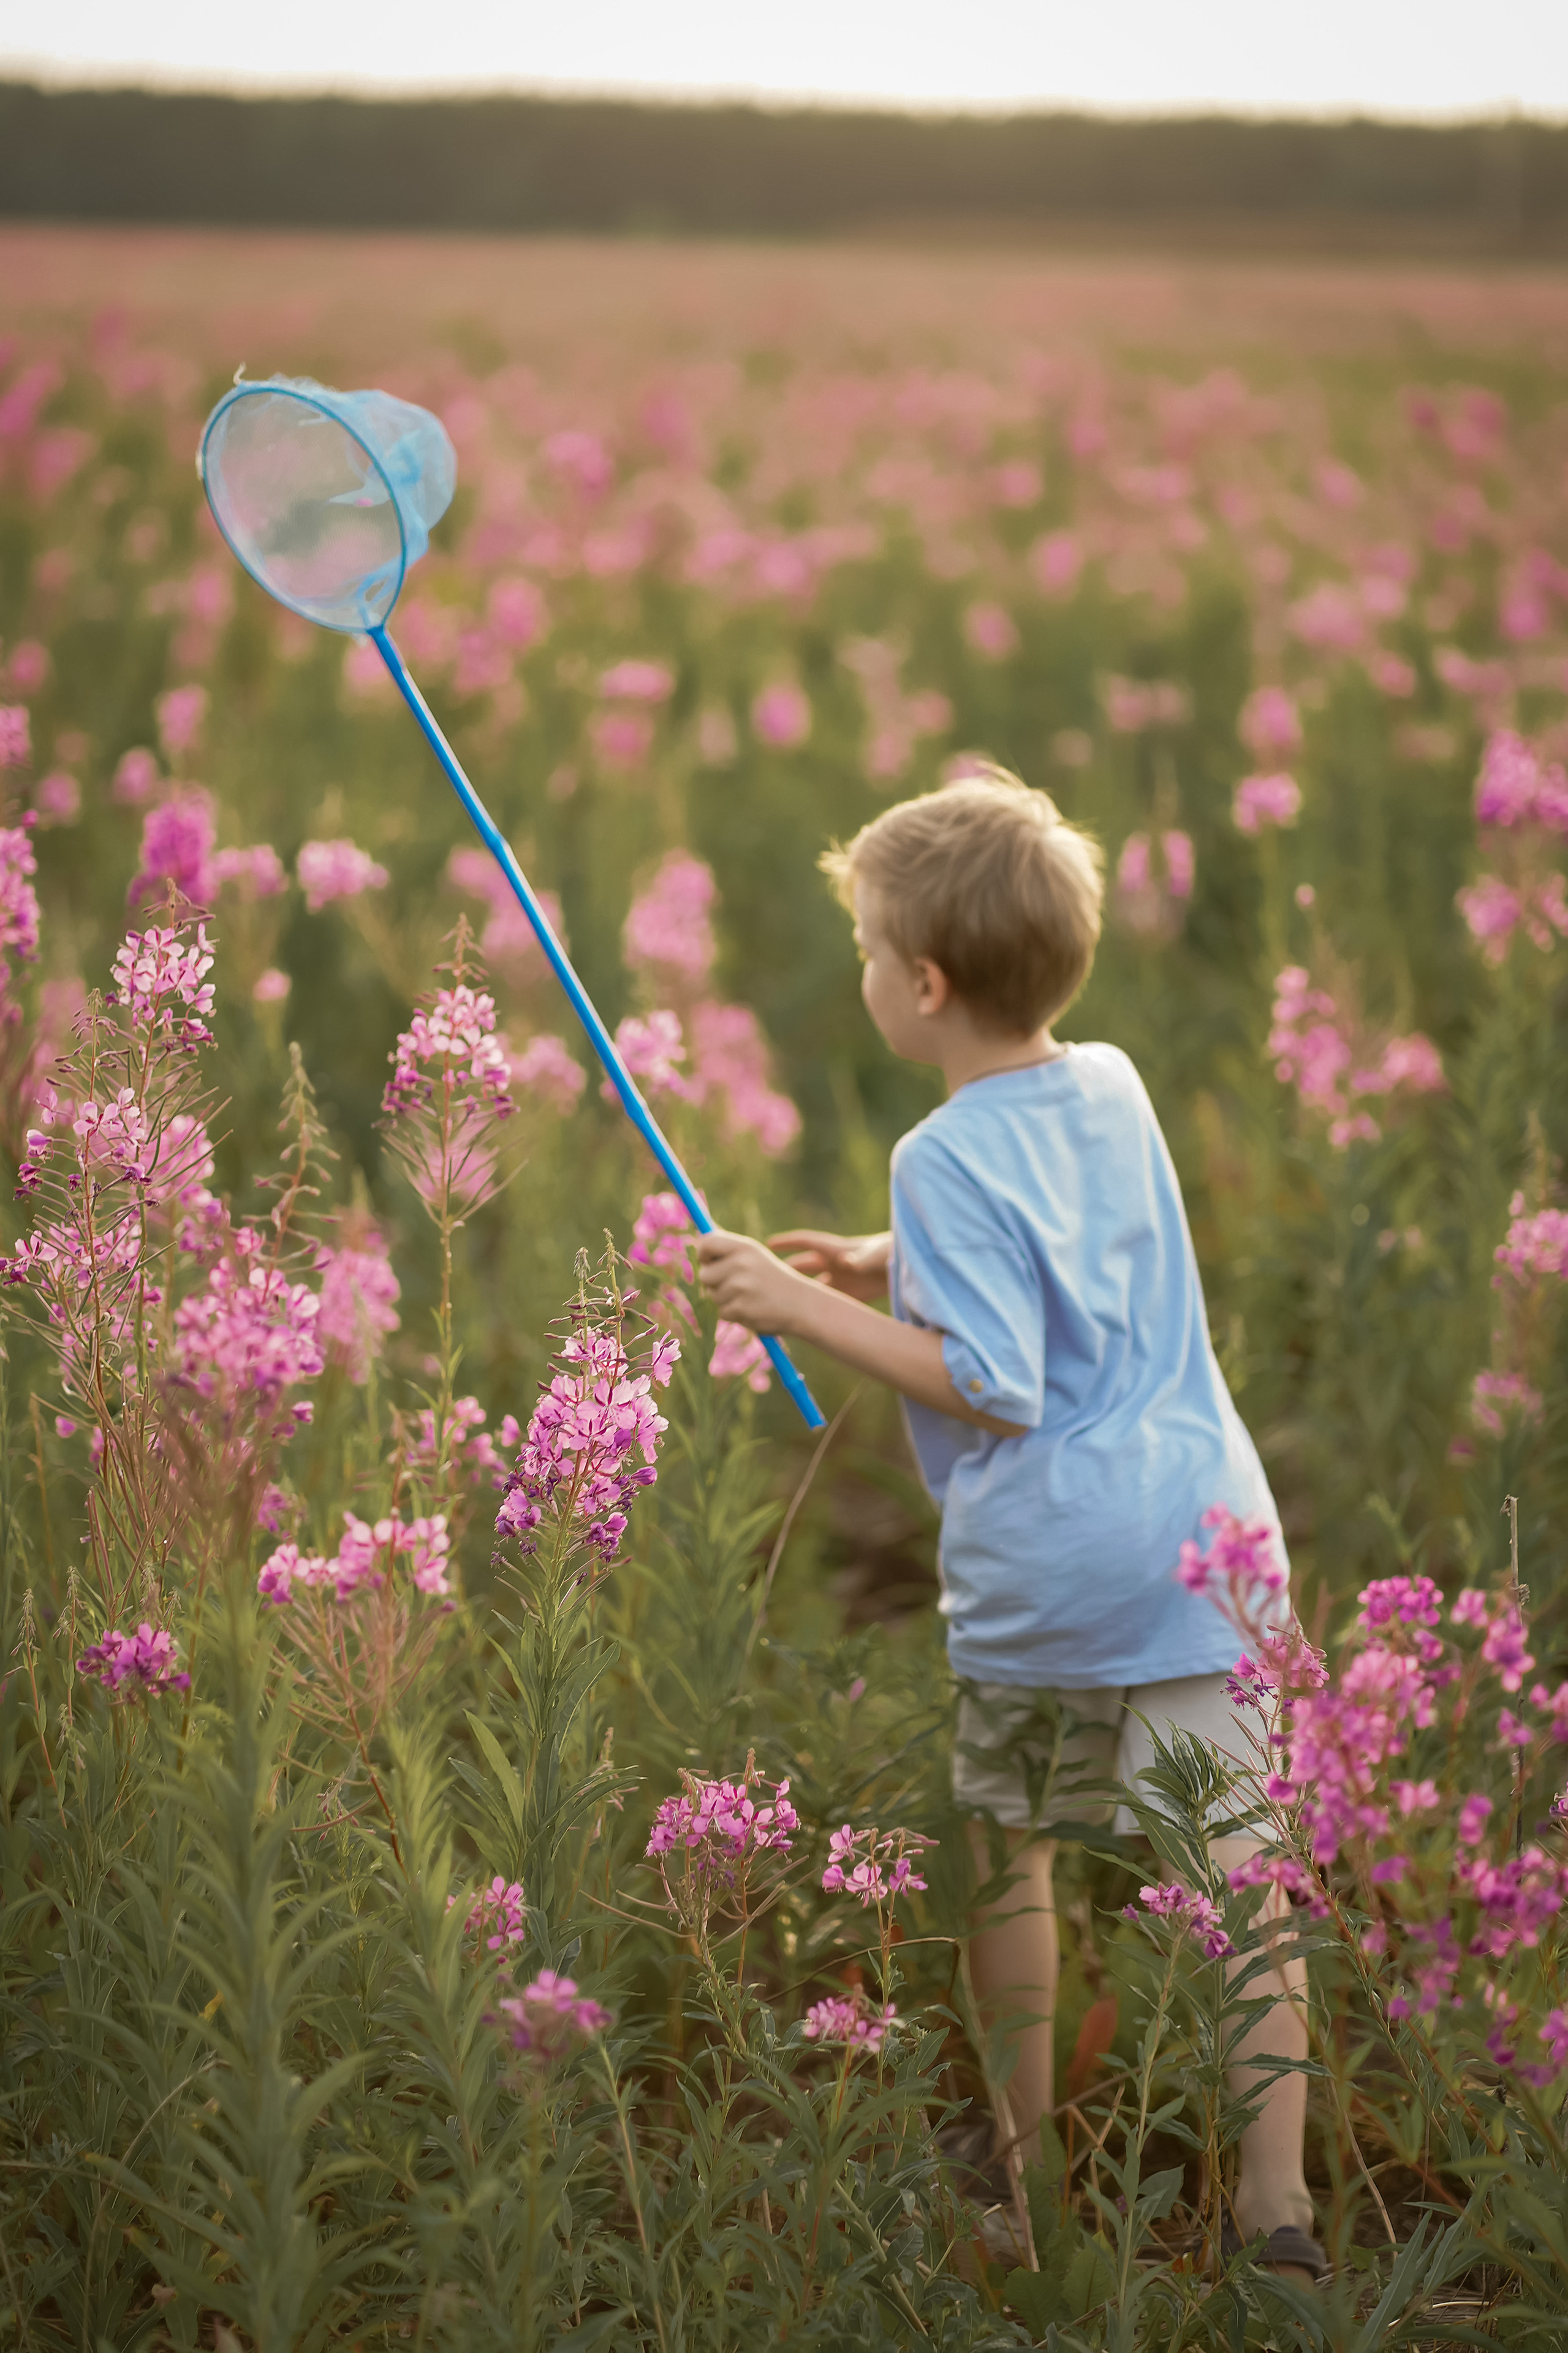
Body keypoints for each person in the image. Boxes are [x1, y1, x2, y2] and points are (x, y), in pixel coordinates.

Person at [694, 764, 1325, 2284]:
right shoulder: (1106, 1082)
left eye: (860, 951)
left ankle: (1020, 2174)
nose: (857, 972)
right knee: (1243, 1873)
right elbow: (1067, 1246)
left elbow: (995, 1386)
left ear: (919, 985)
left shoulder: (939, 1151)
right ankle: (1274, 2206)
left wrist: (792, 1306)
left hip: (1056, 1578)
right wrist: (883, 1254)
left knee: (1009, 1861)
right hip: (1206, 1550)